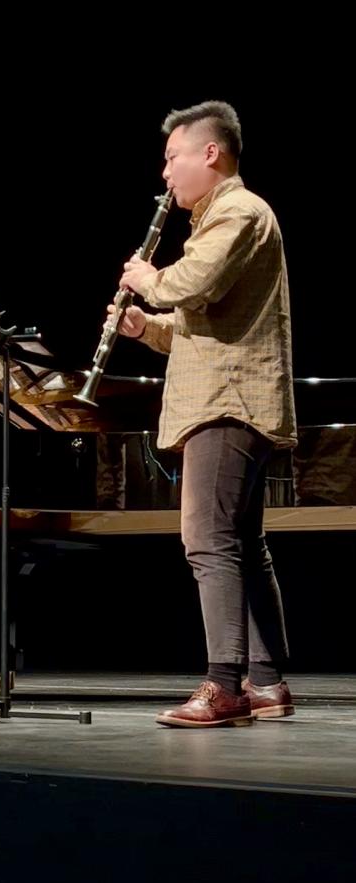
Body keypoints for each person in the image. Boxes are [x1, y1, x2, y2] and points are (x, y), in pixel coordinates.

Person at [113, 101, 296, 727]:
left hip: (227, 403)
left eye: (172, 158)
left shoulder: (239, 212)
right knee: (243, 543)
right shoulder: (224, 218)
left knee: (207, 541)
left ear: (209, 154)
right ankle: (267, 681)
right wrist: (144, 327)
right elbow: (202, 324)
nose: (165, 174)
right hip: (229, 393)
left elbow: (191, 283)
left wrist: (146, 277)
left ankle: (224, 686)